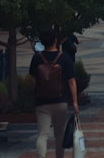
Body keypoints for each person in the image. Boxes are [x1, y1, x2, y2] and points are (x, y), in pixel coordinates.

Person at [29, 29, 79, 158]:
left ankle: (41, 156)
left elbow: (32, 76)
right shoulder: (64, 58)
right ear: (55, 41)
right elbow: (71, 81)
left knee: (42, 134)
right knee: (59, 134)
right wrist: (74, 101)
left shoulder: (36, 58)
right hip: (60, 100)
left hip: (42, 101)